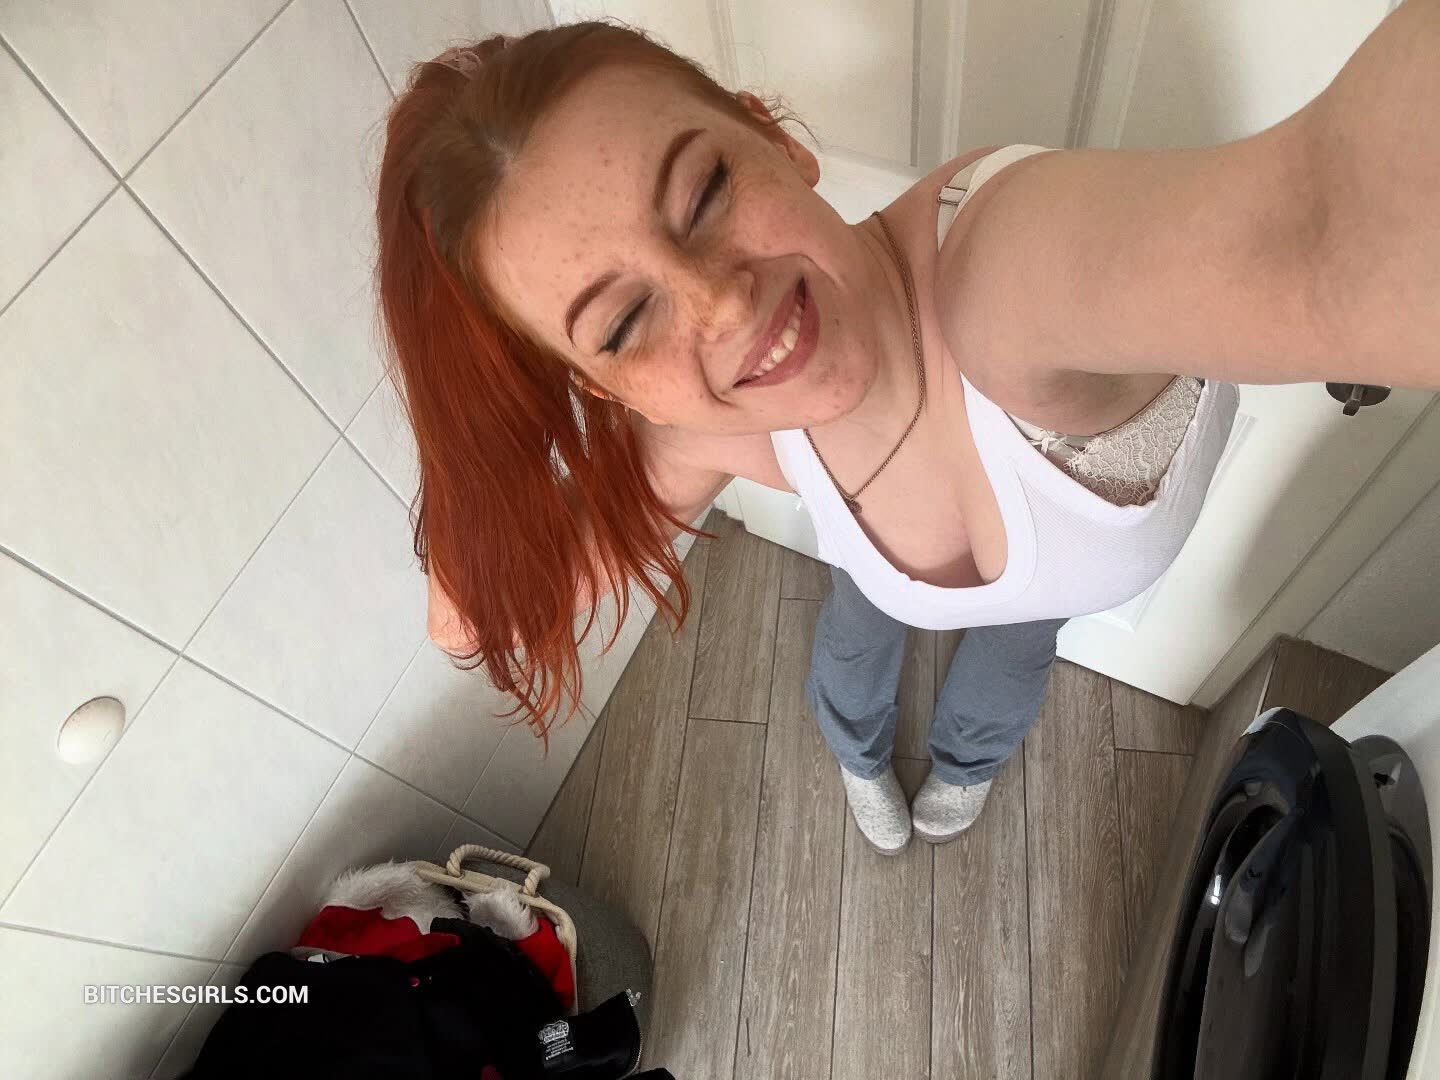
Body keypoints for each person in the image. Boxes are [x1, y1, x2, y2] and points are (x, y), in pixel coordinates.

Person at [375, 13, 1439, 855]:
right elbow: (468, 622)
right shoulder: (710, 438)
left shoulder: (1006, 274)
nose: (722, 305)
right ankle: (858, 753)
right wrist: (471, 432)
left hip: (1045, 584)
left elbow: (1332, 227)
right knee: (858, 636)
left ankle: (965, 768)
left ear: (776, 139)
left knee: (1011, 659)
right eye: (621, 324)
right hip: (879, 574)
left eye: (706, 190)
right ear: (613, 392)